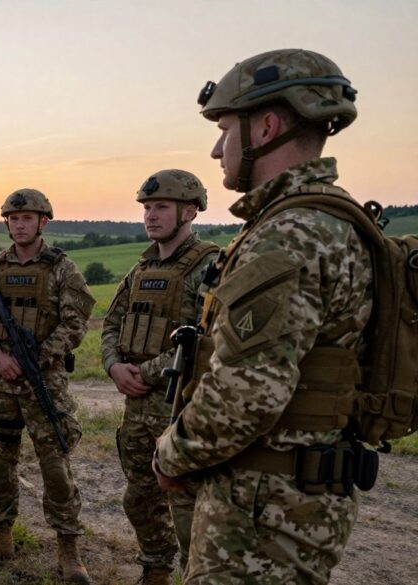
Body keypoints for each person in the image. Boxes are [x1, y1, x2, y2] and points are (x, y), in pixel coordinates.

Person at [153, 49, 371, 585]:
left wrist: (172, 454)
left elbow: (247, 393)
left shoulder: (287, 235)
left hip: (261, 506)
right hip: (295, 496)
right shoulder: (336, 219)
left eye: (226, 130)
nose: (216, 149)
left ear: (267, 126)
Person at [0, 189, 96, 584]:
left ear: (43, 222)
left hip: (45, 384)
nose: (20, 224)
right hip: (2, 384)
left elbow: (76, 324)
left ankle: (68, 549)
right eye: (13, 218)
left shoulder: (62, 269)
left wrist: (35, 358)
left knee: (55, 464)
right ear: (7, 223)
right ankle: (0, 536)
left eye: (27, 218)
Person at [100, 170, 218, 584]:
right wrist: (114, 365)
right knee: (139, 498)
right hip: (137, 409)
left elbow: (206, 340)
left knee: (186, 505)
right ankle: (156, 569)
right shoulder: (141, 268)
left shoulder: (209, 266)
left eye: (161, 207)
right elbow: (112, 324)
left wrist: (144, 372)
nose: (150, 215)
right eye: (147, 208)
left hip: (180, 405)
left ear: (189, 211)